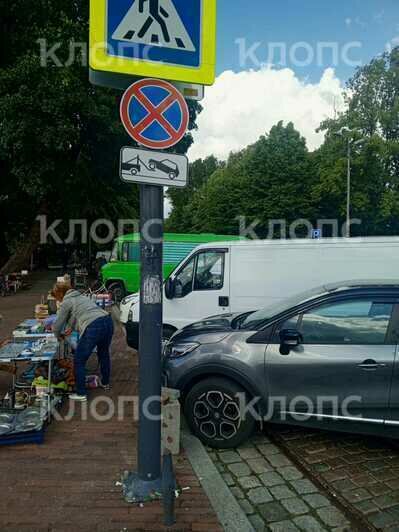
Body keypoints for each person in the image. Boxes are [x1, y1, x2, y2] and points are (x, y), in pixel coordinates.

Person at [52, 281, 114, 402]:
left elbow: (57, 325)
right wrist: (71, 328)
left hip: (93, 326)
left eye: (57, 297)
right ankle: (105, 382)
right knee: (104, 353)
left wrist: (57, 335)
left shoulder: (66, 301)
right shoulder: (81, 296)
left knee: (79, 360)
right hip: (107, 321)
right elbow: (82, 314)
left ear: (60, 293)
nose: (58, 300)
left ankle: (81, 393)